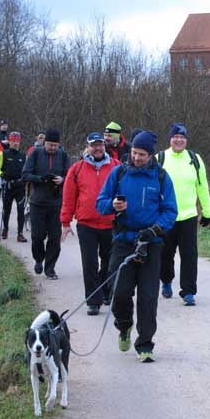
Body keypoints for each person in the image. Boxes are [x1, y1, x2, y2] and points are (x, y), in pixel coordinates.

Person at [96, 131, 177, 362]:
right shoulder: (118, 173)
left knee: (148, 297)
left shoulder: (161, 177)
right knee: (119, 291)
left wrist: (156, 229)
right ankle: (124, 325)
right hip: (123, 241)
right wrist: (112, 205)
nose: (137, 157)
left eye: (142, 154)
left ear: (151, 155)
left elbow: (171, 210)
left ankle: (145, 345)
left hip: (151, 243)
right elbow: (100, 203)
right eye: (134, 153)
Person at [60, 132, 120, 315]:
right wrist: (65, 222)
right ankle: (93, 300)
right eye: (93, 145)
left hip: (111, 223)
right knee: (90, 263)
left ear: (105, 146)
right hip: (87, 224)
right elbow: (69, 197)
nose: (97, 148)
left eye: (100, 144)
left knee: (110, 263)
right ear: (87, 147)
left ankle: (107, 292)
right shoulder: (77, 169)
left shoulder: (117, 167)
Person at [157, 123, 210, 306]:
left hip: (188, 215)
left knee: (189, 255)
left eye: (182, 137)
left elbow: (202, 186)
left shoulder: (195, 159)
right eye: (175, 137)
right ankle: (166, 281)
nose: (179, 140)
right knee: (165, 254)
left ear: (186, 140)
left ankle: (188, 292)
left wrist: (207, 211)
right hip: (166, 216)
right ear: (170, 139)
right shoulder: (160, 158)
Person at [22, 128, 70, 279]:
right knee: (37, 236)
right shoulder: (35, 153)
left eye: (55, 145)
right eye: (50, 145)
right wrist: (40, 179)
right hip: (37, 202)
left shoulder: (63, 155)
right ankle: (38, 259)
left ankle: (50, 268)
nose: (53, 148)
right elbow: (25, 174)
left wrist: (62, 180)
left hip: (56, 202)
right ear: (44, 142)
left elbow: (69, 174)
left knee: (55, 238)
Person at [0, 131, 27, 242]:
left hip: (20, 187)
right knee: (6, 210)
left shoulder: (23, 155)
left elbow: (27, 170)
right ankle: (5, 229)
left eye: (17, 141)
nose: (15, 143)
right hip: (8, 186)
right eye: (13, 141)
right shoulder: (3, 154)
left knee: (21, 210)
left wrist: (26, 178)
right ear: (9, 141)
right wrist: (2, 174)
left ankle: (20, 233)